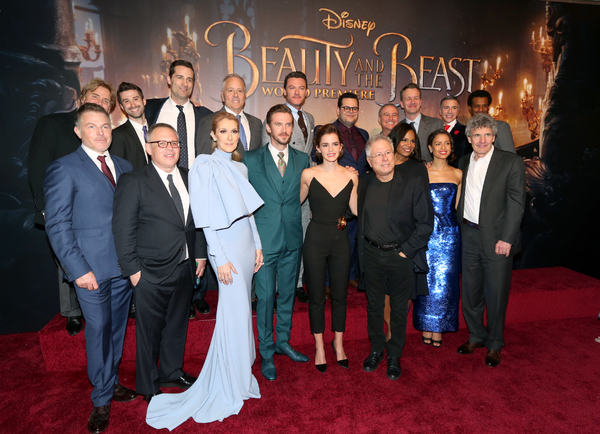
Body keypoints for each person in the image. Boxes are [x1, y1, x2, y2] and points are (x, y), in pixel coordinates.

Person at [146, 112, 264, 427]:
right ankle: (230, 380)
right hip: (224, 247)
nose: (229, 136)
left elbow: (249, 212)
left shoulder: (240, 166)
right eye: (223, 131)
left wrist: (258, 245)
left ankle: (240, 373)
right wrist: (217, 255)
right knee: (232, 310)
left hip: (244, 244)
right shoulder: (203, 164)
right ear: (212, 135)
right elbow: (205, 215)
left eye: (233, 131)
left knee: (241, 311)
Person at [43, 103, 136, 433]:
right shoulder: (64, 168)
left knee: (117, 330)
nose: (101, 132)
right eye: (92, 126)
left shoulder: (125, 166)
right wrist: (77, 269)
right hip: (90, 271)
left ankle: (111, 383)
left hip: (124, 268)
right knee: (98, 333)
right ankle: (101, 399)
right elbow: (57, 225)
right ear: (78, 131)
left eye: (106, 126)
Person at [112, 123, 207, 403]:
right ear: (149, 148)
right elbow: (122, 230)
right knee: (149, 332)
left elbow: (197, 223)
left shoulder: (191, 178)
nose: (169, 148)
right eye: (162, 143)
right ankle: (148, 385)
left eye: (174, 143)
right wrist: (133, 272)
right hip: (149, 272)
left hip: (185, 267)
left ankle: (171, 372)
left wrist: (199, 254)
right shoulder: (133, 181)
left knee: (177, 324)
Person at [28, 78, 115, 336]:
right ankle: (72, 313)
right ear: (82, 99)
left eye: (106, 101)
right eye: (96, 97)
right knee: (68, 261)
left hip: (95, 212)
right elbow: (37, 168)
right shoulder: (53, 123)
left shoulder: (106, 135)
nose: (100, 103)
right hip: (62, 209)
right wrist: (45, 209)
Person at [244, 104, 311, 381]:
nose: (284, 130)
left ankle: (283, 342)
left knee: (287, 295)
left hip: (293, 239)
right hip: (264, 242)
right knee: (266, 298)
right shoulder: (249, 160)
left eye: (288, 125)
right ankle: (267, 352)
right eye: (278, 124)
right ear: (268, 128)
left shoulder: (303, 159)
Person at [358, 135, 433, 380]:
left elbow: (425, 223)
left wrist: (407, 251)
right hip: (371, 254)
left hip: (400, 256)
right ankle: (377, 349)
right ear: (369, 161)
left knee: (400, 309)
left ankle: (394, 354)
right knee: (374, 306)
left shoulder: (412, 182)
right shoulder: (365, 182)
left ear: (394, 154)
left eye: (387, 153)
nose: (384, 158)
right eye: (378, 155)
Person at [144, 59, 213, 316]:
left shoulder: (204, 114)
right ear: (169, 79)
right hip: (162, 183)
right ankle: (178, 296)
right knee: (171, 235)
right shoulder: (152, 109)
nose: (185, 83)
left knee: (198, 235)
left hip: (195, 184)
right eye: (180, 77)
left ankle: (198, 294)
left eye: (190, 79)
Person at [456, 114, 525, 368]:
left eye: (487, 135)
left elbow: (517, 204)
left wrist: (507, 238)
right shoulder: (463, 162)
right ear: (469, 138)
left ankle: (495, 343)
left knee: (495, 294)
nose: (482, 140)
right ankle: (476, 335)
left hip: (497, 240)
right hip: (469, 236)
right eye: (477, 135)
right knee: (471, 292)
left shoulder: (511, 162)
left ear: (494, 137)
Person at [300, 124, 358, 373]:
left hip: (340, 241)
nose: (331, 149)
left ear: (341, 147)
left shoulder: (351, 176)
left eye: (335, 144)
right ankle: (319, 347)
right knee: (316, 296)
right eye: (325, 145)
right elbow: (294, 202)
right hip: (314, 239)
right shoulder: (308, 174)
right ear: (317, 148)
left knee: (340, 296)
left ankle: (338, 342)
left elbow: (355, 211)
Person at [262, 71, 316, 304]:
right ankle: (273, 287)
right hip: (280, 191)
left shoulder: (310, 118)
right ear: (284, 91)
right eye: (292, 87)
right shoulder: (277, 117)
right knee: (276, 241)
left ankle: (296, 283)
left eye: (301, 87)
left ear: (306, 92)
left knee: (300, 237)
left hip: (303, 191)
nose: (296, 92)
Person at [413, 129, 462, 347]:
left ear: (451, 148)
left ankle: (440, 326)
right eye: (438, 143)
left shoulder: (459, 174)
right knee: (426, 280)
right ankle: (426, 323)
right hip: (426, 235)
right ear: (430, 147)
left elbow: (458, 208)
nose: (443, 147)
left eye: (447, 143)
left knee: (446, 282)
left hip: (450, 236)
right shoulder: (421, 172)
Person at [314, 92, 369, 289]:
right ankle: (328, 282)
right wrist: (339, 168)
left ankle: (352, 274)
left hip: (356, 195)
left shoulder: (364, 134)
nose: (350, 111)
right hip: (333, 194)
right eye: (346, 108)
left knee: (354, 236)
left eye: (354, 108)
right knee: (333, 238)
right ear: (338, 110)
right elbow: (317, 156)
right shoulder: (324, 130)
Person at [382, 123, 430, 341]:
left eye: (412, 141)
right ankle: (391, 330)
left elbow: (424, 209)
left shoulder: (419, 168)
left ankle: (396, 331)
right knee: (385, 291)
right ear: (394, 141)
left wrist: (411, 244)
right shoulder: (383, 164)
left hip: (409, 240)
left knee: (407, 291)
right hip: (383, 239)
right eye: (404, 140)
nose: (409, 145)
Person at [196, 73, 263, 157]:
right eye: (230, 90)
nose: (236, 95)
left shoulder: (257, 123)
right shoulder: (209, 121)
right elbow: (204, 158)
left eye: (240, 91)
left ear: (244, 95)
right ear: (223, 96)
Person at [398, 83, 444, 162]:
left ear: (420, 102)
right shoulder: (398, 128)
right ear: (401, 104)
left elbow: (443, 155)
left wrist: (433, 165)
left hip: (429, 173)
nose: (412, 102)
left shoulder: (436, 124)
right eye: (408, 98)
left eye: (416, 98)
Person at [111, 82, 150, 170]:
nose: (133, 105)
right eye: (127, 101)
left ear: (144, 101)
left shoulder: (158, 128)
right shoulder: (117, 135)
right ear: (121, 106)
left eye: (135, 99)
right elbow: (119, 170)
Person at [438, 96, 470, 167]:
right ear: (440, 111)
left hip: (457, 174)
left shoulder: (466, 131)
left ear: (458, 111)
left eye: (454, 108)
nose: (450, 111)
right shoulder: (433, 129)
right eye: (446, 107)